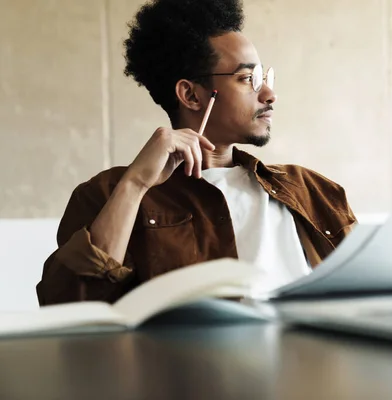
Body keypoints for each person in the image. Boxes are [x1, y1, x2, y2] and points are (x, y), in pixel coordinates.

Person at [36, 0, 356, 305]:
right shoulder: (108, 194)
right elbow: (71, 306)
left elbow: (372, 293)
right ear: (191, 95)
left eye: (265, 78)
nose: (269, 94)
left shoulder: (312, 191)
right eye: (248, 79)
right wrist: (134, 185)